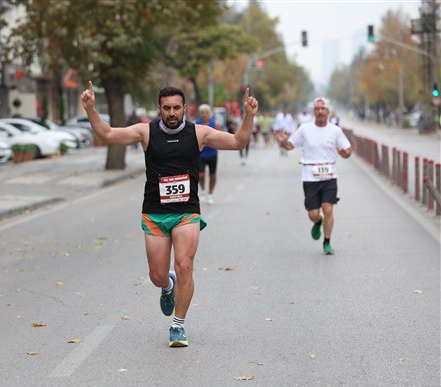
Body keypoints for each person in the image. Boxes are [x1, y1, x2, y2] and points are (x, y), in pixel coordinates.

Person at [80, 81, 258, 347]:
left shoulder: (199, 133)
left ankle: (178, 325)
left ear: (185, 108)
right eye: (167, 108)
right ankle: (167, 286)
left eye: (176, 107)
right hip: (155, 213)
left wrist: (249, 116)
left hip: (186, 212)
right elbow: (107, 134)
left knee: (184, 265)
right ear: (159, 109)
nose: (172, 113)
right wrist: (91, 109)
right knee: (157, 275)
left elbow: (238, 141)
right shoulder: (145, 132)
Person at [275, 97, 352, 255]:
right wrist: (283, 142)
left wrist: (345, 153)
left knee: (328, 209)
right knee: (313, 214)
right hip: (310, 177)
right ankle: (318, 222)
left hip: (330, 176)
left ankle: (327, 242)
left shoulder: (335, 130)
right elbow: (290, 145)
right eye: (317, 109)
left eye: (323, 109)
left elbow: (347, 150)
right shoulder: (305, 129)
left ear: (328, 112)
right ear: (313, 112)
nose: (320, 112)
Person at [195, 104, 220, 204]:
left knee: (212, 175)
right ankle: (202, 190)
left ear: (209, 114)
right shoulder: (196, 124)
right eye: (202, 112)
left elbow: (219, 137)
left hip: (212, 153)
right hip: (200, 154)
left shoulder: (215, 124)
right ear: (199, 114)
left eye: (206, 112)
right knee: (200, 175)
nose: (204, 114)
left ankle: (210, 194)